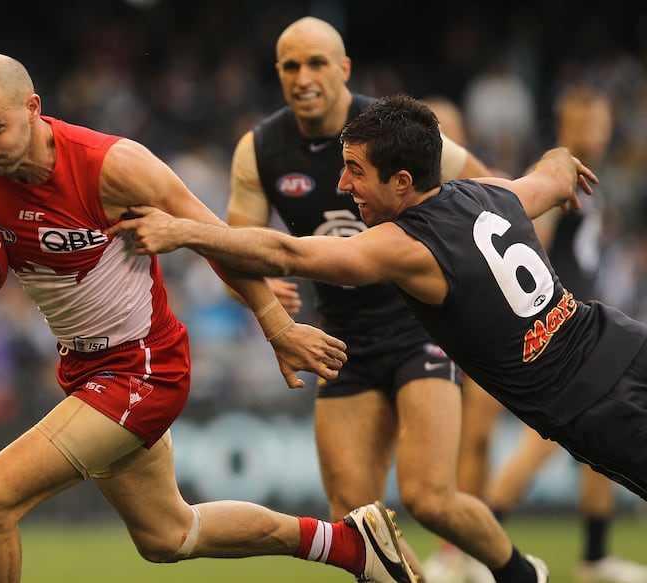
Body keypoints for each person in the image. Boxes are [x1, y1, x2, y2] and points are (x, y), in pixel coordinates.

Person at [0, 53, 421, 583]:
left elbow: (217, 241)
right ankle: (351, 547)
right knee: (169, 536)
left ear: (33, 108)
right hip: (82, 371)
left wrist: (277, 326)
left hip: (143, 369)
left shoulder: (112, 166)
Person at [113, 92, 647, 581]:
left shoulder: (407, 246)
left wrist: (182, 231)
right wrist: (562, 159)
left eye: (354, 172)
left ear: (402, 182)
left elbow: (288, 253)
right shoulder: (490, 194)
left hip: (592, 406)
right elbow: (550, 177)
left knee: (431, 495)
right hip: (626, 342)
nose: (342, 186)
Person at [226, 16, 531, 582]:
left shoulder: (392, 127)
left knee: (430, 497)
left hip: (421, 328)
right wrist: (258, 289)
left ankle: (520, 575)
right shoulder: (261, 148)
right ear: (278, 74)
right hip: (340, 342)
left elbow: (488, 195)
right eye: (291, 66)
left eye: (317, 63)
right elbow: (236, 247)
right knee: (354, 519)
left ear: (343, 68)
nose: (304, 76)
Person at [467, 85, 647, 583]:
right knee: (534, 453)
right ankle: (485, 554)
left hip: (591, 327)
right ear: (565, 124)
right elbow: (525, 246)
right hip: (562, 339)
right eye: (586, 122)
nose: (597, 131)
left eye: (602, 121)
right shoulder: (547, 180)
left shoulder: (592, 179)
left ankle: (593, 557)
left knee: (597, 462)